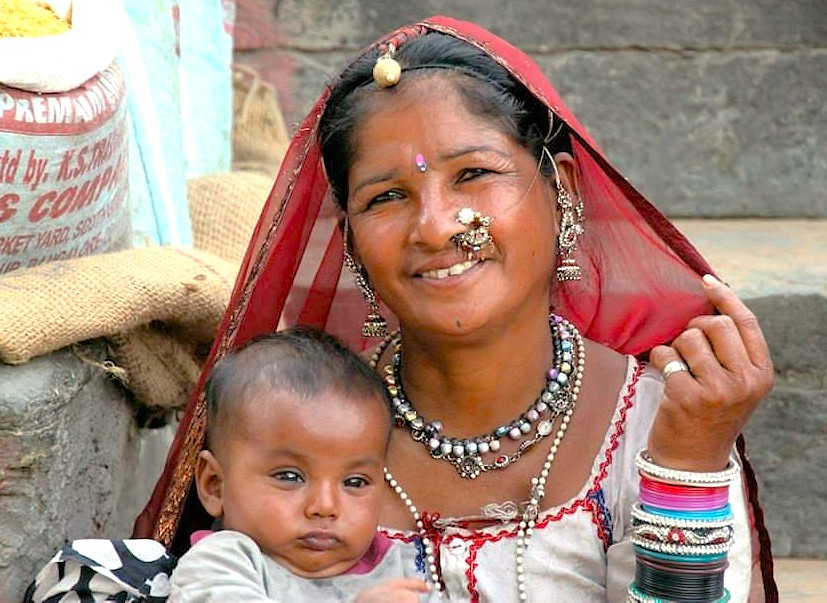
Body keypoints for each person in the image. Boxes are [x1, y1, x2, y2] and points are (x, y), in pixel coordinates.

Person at [129, 15, 776, 603]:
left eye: (473, 175)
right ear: (351, 242)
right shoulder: (300, 428)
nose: (436, 226)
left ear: (563, 191)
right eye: (387, 197)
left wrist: (685, 464)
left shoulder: (658, 427)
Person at [168, 326, 435, 602]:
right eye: (290, 476)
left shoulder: (400, 567)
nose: (325, 507)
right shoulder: (221, 564)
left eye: (355, 482)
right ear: (215, 486)